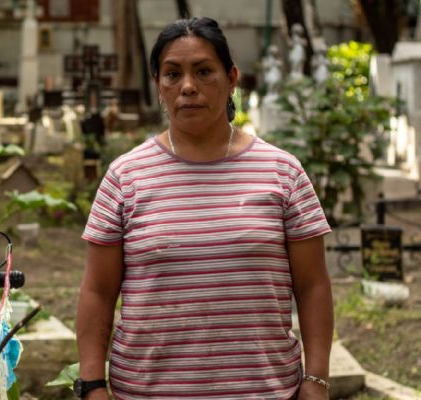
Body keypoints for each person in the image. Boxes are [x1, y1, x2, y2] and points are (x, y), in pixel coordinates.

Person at [75, 17, 333, 399]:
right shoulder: (125, 177)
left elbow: (312, 286)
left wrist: (317, 379)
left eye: (204, 71)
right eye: (172, 74)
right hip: (147, 392)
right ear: (158, 86)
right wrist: (93, 384)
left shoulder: (282, 172)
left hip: (264, 391)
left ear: (231, 78)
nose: (188, 87)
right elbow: (98, 290)